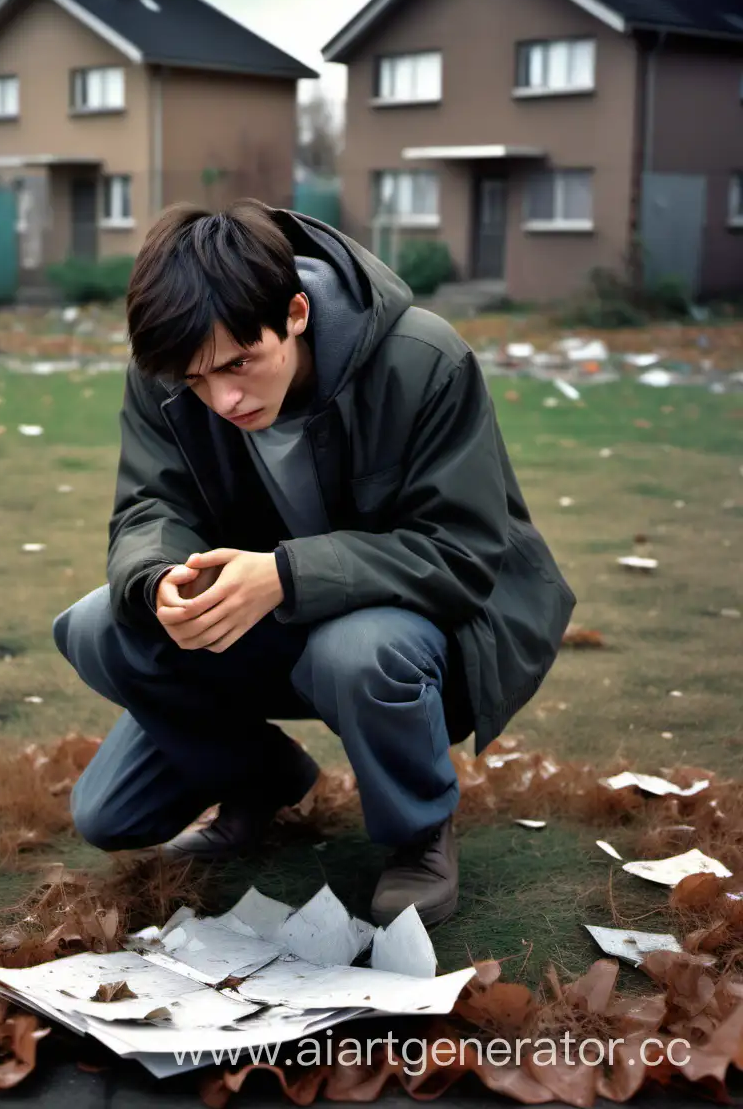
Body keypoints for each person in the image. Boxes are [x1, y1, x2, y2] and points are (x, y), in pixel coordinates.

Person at [52, 199, 575, 929]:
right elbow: (149, 509)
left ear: (296, 311)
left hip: (423, 634)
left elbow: (462, 553)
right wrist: (159, 577)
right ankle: (262, 780)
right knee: (98, 641)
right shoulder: (171, 370)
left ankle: (418, 832)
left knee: (358, 649)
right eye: (197, 380)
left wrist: (285, 575)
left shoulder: (424, 358)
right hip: (268, 618)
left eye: (240, 363)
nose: (223, 397)